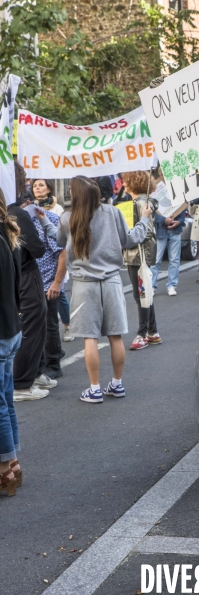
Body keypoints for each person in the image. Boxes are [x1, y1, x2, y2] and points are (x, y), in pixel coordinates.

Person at [37, 175, 152, 403]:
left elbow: (58, 240)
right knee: (115, 336)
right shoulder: (112, 212)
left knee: (90, 338)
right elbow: (131, 239)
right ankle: (117, 384)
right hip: (111, 282)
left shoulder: (67, 218)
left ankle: (94, 388)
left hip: (83, 285)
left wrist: (43, 220)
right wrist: (145, 219)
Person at [8, 162, 51, 401]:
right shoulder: (18, 214)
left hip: (14, 278)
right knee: (32, 327)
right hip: (26, 277)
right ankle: (23, 383)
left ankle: (31, 375)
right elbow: (37, 249)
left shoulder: (10, 212)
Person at [119, 171, 162, 350]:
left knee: (141, 295)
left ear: (133, 181)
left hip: (138, 255)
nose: (122, 183)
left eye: (125, 180)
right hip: (136, 254)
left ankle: (142, 333)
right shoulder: (139, 202)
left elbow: (147, 231)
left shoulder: (140, 203)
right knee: (144, 295)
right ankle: (152, 332)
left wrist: (130, 235)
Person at [0, 188, 22, 496]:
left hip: (2, 330)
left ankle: (4, 468)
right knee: (7, 401)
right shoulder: (7, 233)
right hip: (10, 328)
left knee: (1, 405)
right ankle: (13, 462)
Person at [32, 205, 67, 380]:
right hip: (31, 284)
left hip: (48, 282)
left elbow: (63, 252)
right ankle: (50, 355)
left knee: (49, 324)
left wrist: (57, 283)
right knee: (35, 326)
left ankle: (53, 364)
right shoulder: (16, 220)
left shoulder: (49, 218)